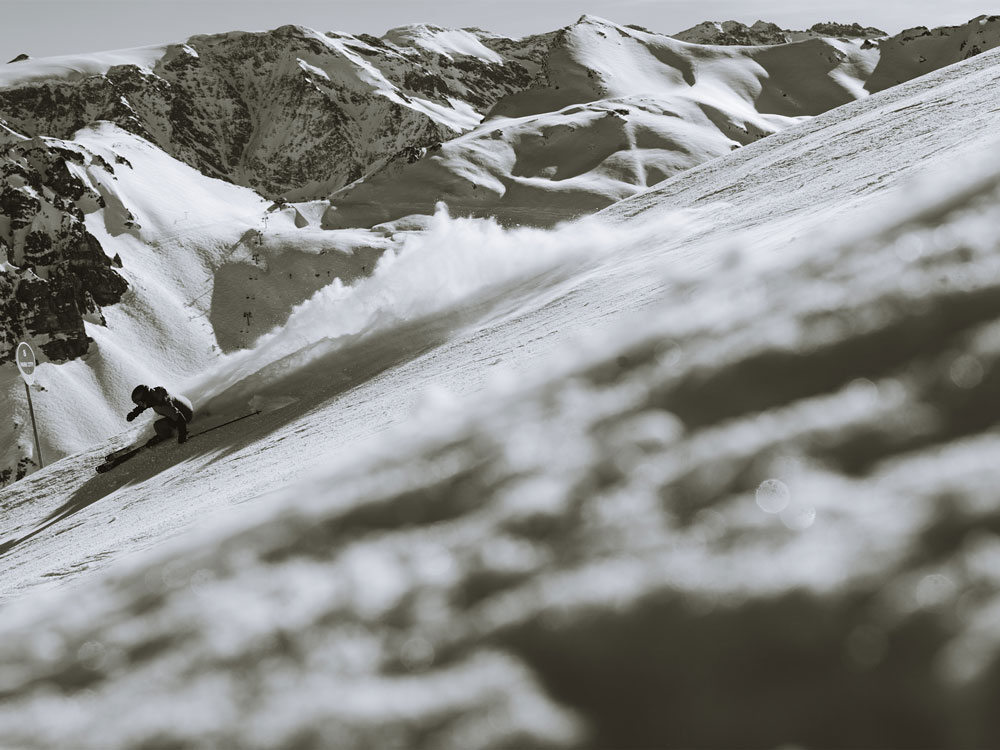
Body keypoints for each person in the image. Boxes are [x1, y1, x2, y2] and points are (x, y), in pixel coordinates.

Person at [127, 384, 194, 447]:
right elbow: (145, 405)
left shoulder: (164, 404)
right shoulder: (155, 395)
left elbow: (180, 419)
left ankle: (165, 435)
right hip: (186, 407)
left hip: (186, 415)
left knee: (159, 426)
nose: (140, 405)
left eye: (140, 402)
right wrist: (134, 413)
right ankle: (166, 432)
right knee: (161, 423)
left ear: (146, 399)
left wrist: (183, 435)